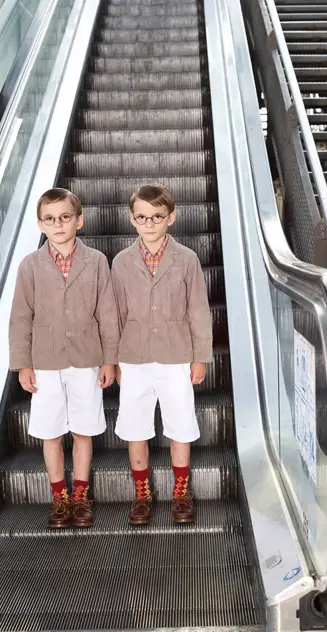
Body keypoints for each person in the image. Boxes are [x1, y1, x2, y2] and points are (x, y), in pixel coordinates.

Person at [9, 188, 119, 529]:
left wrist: (109, 360)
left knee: (84, 429)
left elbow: (108, 313)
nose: (58, 225)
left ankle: (81, 495)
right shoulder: (30, 265)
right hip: (45, 361)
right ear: (40, 225)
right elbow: (20, 317)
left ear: (79, 220)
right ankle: (59, 496)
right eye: (50, 219)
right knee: (51, 432)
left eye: (65, 217)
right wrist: (23, 364)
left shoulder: (97, 261)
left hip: (86, 359)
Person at [111, 184, 213, 525]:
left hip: (176, 355)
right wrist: (113, 359)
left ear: (171, 217)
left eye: (157, 216)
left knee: (180, 424)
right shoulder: (122, 262)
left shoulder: (187, 259)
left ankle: (181, 492)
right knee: (135, 426)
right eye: (142, 217)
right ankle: (142, 494)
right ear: (132, 220)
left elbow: (198, 310)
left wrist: (200, 356)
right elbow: (116, 314)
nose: (149, 223)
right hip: (134, 356)